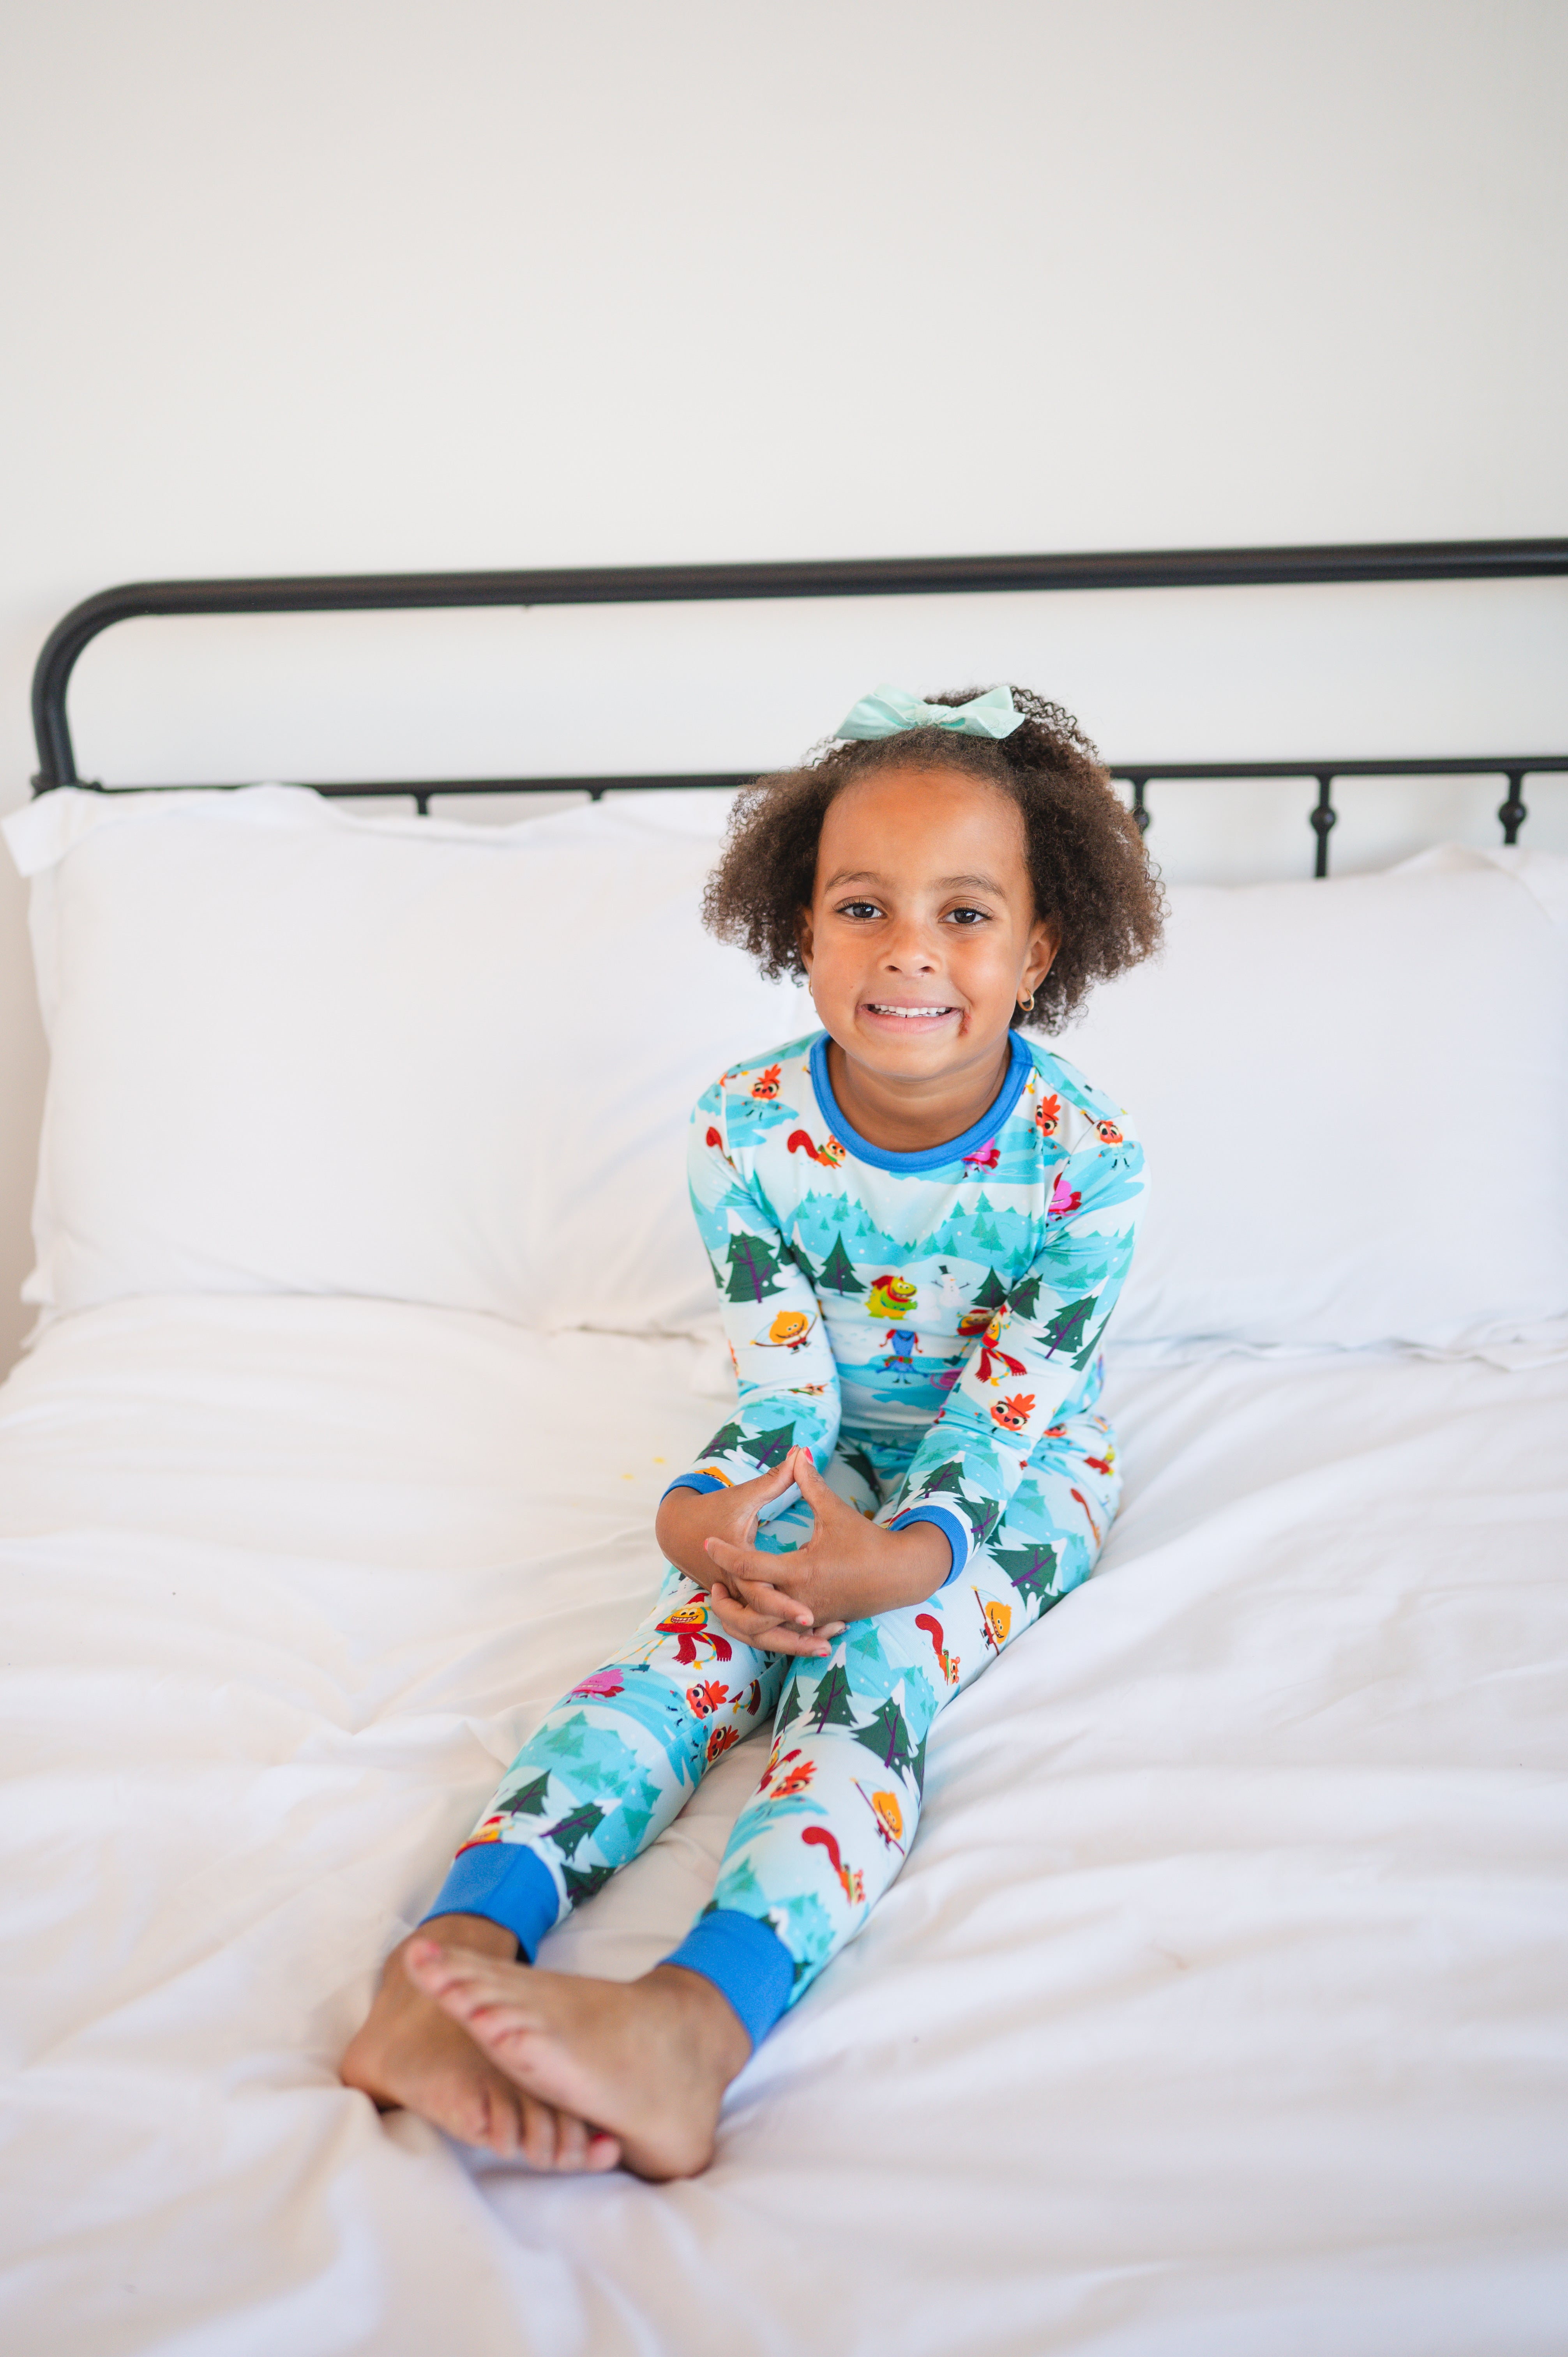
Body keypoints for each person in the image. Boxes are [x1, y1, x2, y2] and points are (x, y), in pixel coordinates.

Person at [341, 682, 1164, 2179]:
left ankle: (692, 2025)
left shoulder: (1091, 1164)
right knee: (688, 1649)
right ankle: (444, 1963)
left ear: (1039, 951)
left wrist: (896, 1564)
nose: (909, 946)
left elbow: (1002, 1422)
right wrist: (712, 1534)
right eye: (863, 906)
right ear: (803, 931)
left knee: (871, 1675)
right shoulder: (744, 1125)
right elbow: (783, 1388)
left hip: (1015, 1473)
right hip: (814, 1438)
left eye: (965, 913)